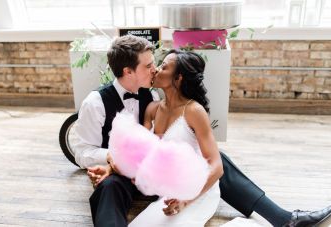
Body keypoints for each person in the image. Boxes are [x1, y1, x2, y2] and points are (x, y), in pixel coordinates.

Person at [74, 35, 331, 227]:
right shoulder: (95, 103)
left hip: (159, 171)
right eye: (150, 65)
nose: (154, 69)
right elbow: (83, 152)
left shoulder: (150, 94)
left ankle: (283, 218)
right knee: (108, 189)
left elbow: (152, 142)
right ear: (128, 71)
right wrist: (112, 161)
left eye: (158, 65)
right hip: (127, 175)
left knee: (215, 160)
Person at [128, 50, 223, 227]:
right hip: (169, 191)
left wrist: (186, 200)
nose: (155, 69)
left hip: (196, 191)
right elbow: (142, 151)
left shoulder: (194, 111)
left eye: (163, 67)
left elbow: (217, 167)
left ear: (178, 78)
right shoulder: (152, 109)